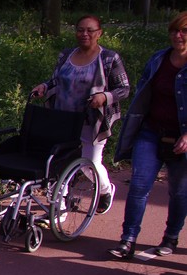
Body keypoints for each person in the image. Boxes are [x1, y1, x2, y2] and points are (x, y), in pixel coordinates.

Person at [30, 15, 129, 214]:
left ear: (99, 33)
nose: (85, 34)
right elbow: (55, 80)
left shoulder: (109, 58)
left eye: (90, 30)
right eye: (80, 30)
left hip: (91, 121)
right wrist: (44, 86)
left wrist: (104, 96)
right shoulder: (66, 55)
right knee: (59, 161)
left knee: (89, 163)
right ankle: (59, 207)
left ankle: (105, 190)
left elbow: (124, 89)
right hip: (63, 119)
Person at [108, 11, 187, 259]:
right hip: (151, 132)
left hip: (181, 139)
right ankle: (127, 240)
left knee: (179, 192)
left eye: (184, 31)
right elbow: (144, 93)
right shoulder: (158, 59)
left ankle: (171, 237)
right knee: (139, 185)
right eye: (174, 30)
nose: (178, 35)